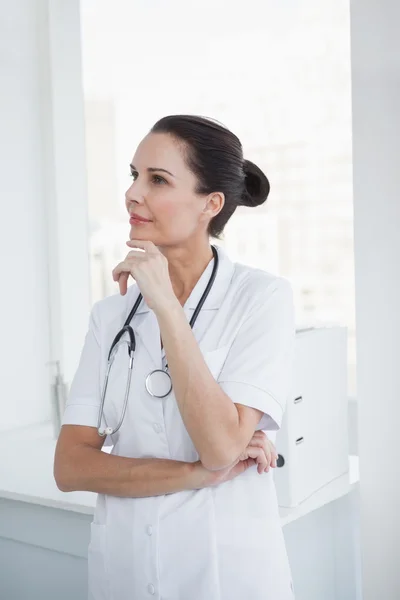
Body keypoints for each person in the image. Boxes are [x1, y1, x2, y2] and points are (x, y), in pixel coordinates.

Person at [54, 115, 296, 600]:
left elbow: (222, 447)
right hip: (124, 570)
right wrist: (194, 475)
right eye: (134, 175)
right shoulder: (111, 317)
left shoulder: (261, 298)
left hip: (225, 575)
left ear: (211, 204)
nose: (132, 193)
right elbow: (70, 467)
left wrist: (167, 306)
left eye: (157, 179)